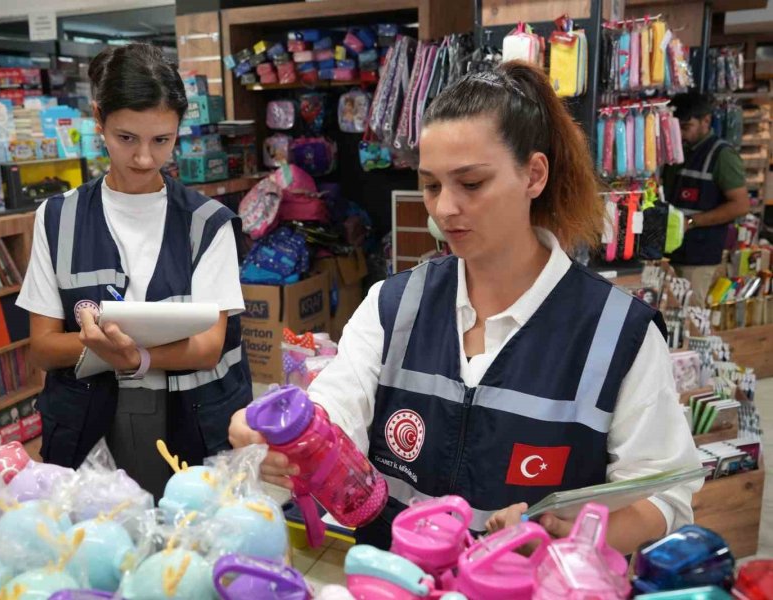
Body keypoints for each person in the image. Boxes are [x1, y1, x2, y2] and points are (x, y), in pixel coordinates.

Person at [230, 62, 701, 554]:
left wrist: (575, 534)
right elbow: (334, 411)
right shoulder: (393, 305)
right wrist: (282, 434)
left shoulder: (616, 333)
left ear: (533, 175)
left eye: (471, 184)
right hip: (393, 582)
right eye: (432, 185)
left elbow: (665, 493)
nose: (444, 208)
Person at [18, 43, 252, 499]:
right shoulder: (57, 218)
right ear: (99, 118)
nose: (145, 158)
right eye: (127, 137)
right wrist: (111, 350)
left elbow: (209, 346)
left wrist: (135, 357)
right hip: (87, 421)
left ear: (178, 129)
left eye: (161, 140)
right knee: (95, 543)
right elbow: (43, 348)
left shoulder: (208, 223)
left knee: (189, 540)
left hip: (191, 419)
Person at [663, 92, 750, 306]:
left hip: (698, 258)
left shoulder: (722, 156)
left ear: (706, 121)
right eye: (675, 128)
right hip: (668, 253)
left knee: (689, 317)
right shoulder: (679, 150)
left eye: (685, 127)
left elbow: (740, 205)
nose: (680, 134)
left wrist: (692, 222)